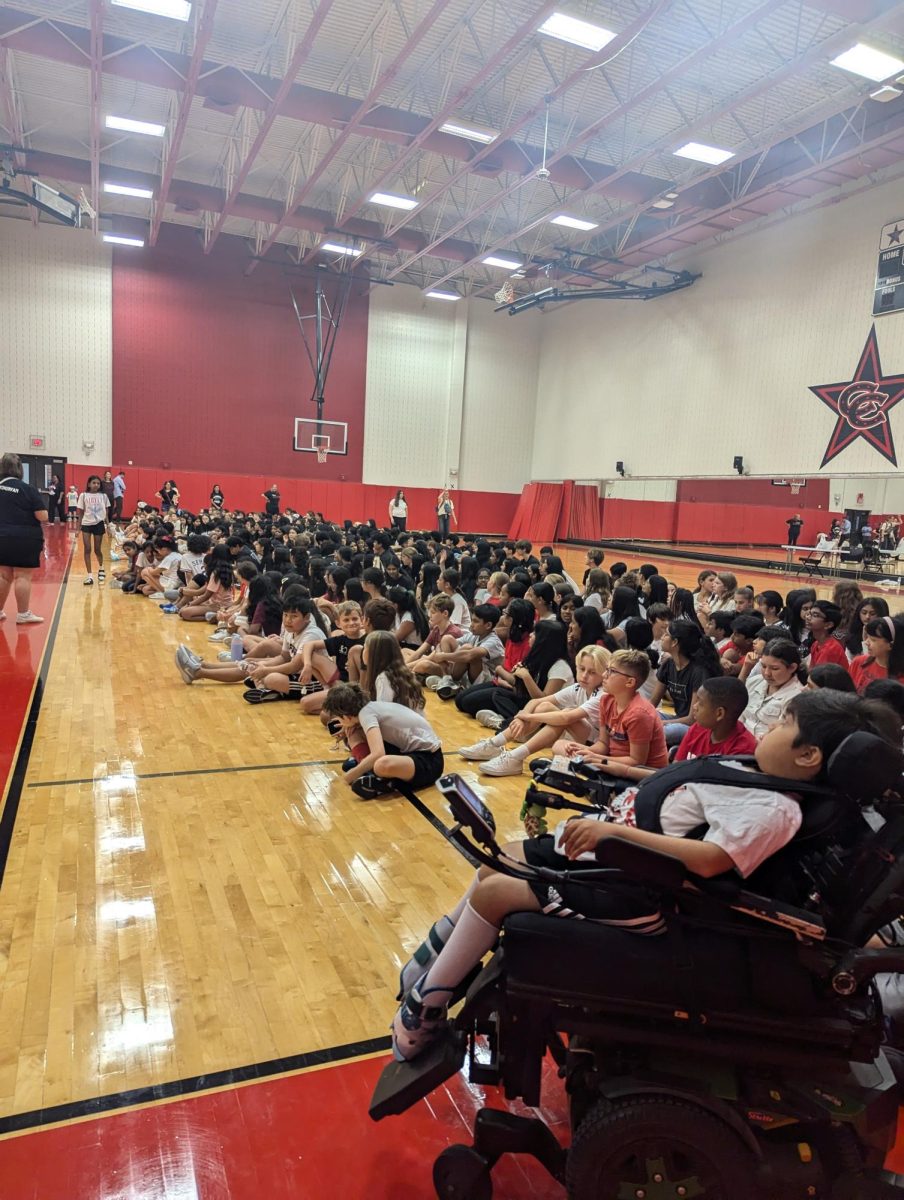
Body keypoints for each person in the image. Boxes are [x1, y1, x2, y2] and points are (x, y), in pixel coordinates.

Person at [389, 687, 900, 1061]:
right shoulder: (755, 774)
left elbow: (708, 861)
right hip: (616, 864)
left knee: (498, 889)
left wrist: (616, 836)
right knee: (499, 856)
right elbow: (683, 785)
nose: (769, 729)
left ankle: (425, 1010)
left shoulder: (775, 809)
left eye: (784, 725)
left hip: (642, 895)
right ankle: (432, 962)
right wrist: (613, 775)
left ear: (808, 755)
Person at [322, 683, 444, 801]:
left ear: (346, 716)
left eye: (338, 717)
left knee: (381, 765)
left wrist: (350, 776)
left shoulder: (367, 715)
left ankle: (384, 781)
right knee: (353, 731)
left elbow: (378, 753)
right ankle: (371, 772)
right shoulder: (368, 708)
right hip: (407, 751)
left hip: (430, 760)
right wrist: (348, 726)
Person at [0, 452, 48, 625]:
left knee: (3, 575)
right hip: (24, 537)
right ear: (19, 469)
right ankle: (23, 614)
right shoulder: (27, 489)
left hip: (2, 536)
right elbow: (42, 516)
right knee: (22, 576)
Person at [739, 638, 805, 739]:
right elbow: (739, 715)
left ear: (792, 667)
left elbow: (780, 736)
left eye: (774, 668)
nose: (767, 673)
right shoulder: (754, 682)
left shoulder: (796, 697)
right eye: (763, 666)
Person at [850, 615, 904, 693]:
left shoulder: (900, 679)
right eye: (867, 637)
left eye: (873, 640)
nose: (866, 642)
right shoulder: (858, 662)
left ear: (890, 645)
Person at [77, 474, 110, 585]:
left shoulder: (104, 496)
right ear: (89, 484)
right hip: (86, 524)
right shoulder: (83, 495)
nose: (96, 485)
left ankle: (101, 567)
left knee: (97, 549)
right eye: (94, 483)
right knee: (87, 549)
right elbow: (80, 513)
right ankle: (89, 576)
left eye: (98, 483)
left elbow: (106, 513)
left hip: (99, 524)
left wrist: (108, 526)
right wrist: (78, 528)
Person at [806, 601, 849, 672]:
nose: (808, 617)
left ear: (828, 625)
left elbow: (818, 680)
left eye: (815, 615)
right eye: (810, 614)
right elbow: (810, 671)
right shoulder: (816, 644)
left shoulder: (830, 650)